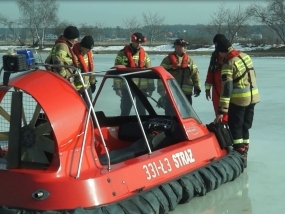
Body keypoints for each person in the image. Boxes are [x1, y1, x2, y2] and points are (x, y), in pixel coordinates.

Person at [214, 38, 260, 167]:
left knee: (236, 127)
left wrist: (222, 111)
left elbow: (227, 89)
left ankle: (239, 151)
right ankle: (245, 149)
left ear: (221, 51)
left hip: (239, 100)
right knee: (246, 126)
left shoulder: (229, 64)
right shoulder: (245, 56)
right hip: (253, 98)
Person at [113, 32, 155, 116]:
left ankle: (143, 127)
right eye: (137, 42)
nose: (138, 44)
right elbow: (116, 72)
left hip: (142, 89)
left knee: (142, 112)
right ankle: (124, 127)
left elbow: (150, 72)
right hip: (127, 88)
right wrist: (117, 87)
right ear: (132, 41)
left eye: (140, 43)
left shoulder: (145, 55)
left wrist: (151, 87)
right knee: (125, 111)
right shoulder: (121, 54)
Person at [159, 39, 201, 105]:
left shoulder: (190, 61)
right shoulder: (167, 61)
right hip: (171, 94)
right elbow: (160, 75)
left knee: (186, 114)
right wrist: (161, 89)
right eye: (183, 46)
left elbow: (195, 75)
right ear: (176, 47)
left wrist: (197, 88)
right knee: (170, 114)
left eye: (186, 46)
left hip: (186, 95)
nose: (185, 48)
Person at [205, 34, 228, 122]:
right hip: (217, 90)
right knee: (219, 114)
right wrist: (207, 89)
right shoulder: (214, 57)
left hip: (228, 89)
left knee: (228, 113)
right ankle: (223, 129)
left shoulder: (230, 56)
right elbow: (210, 72)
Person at [72, 35, 96, 102]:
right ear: (82, 46)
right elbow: (70, 73)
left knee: (89, 106)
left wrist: (93, 82)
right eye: (88, 49)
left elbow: (91, 68)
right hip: (75, 88)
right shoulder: (72, 54)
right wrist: (75, 88)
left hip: (86, 86)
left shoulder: (89, 53)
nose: (89, 51)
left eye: (90, 49)